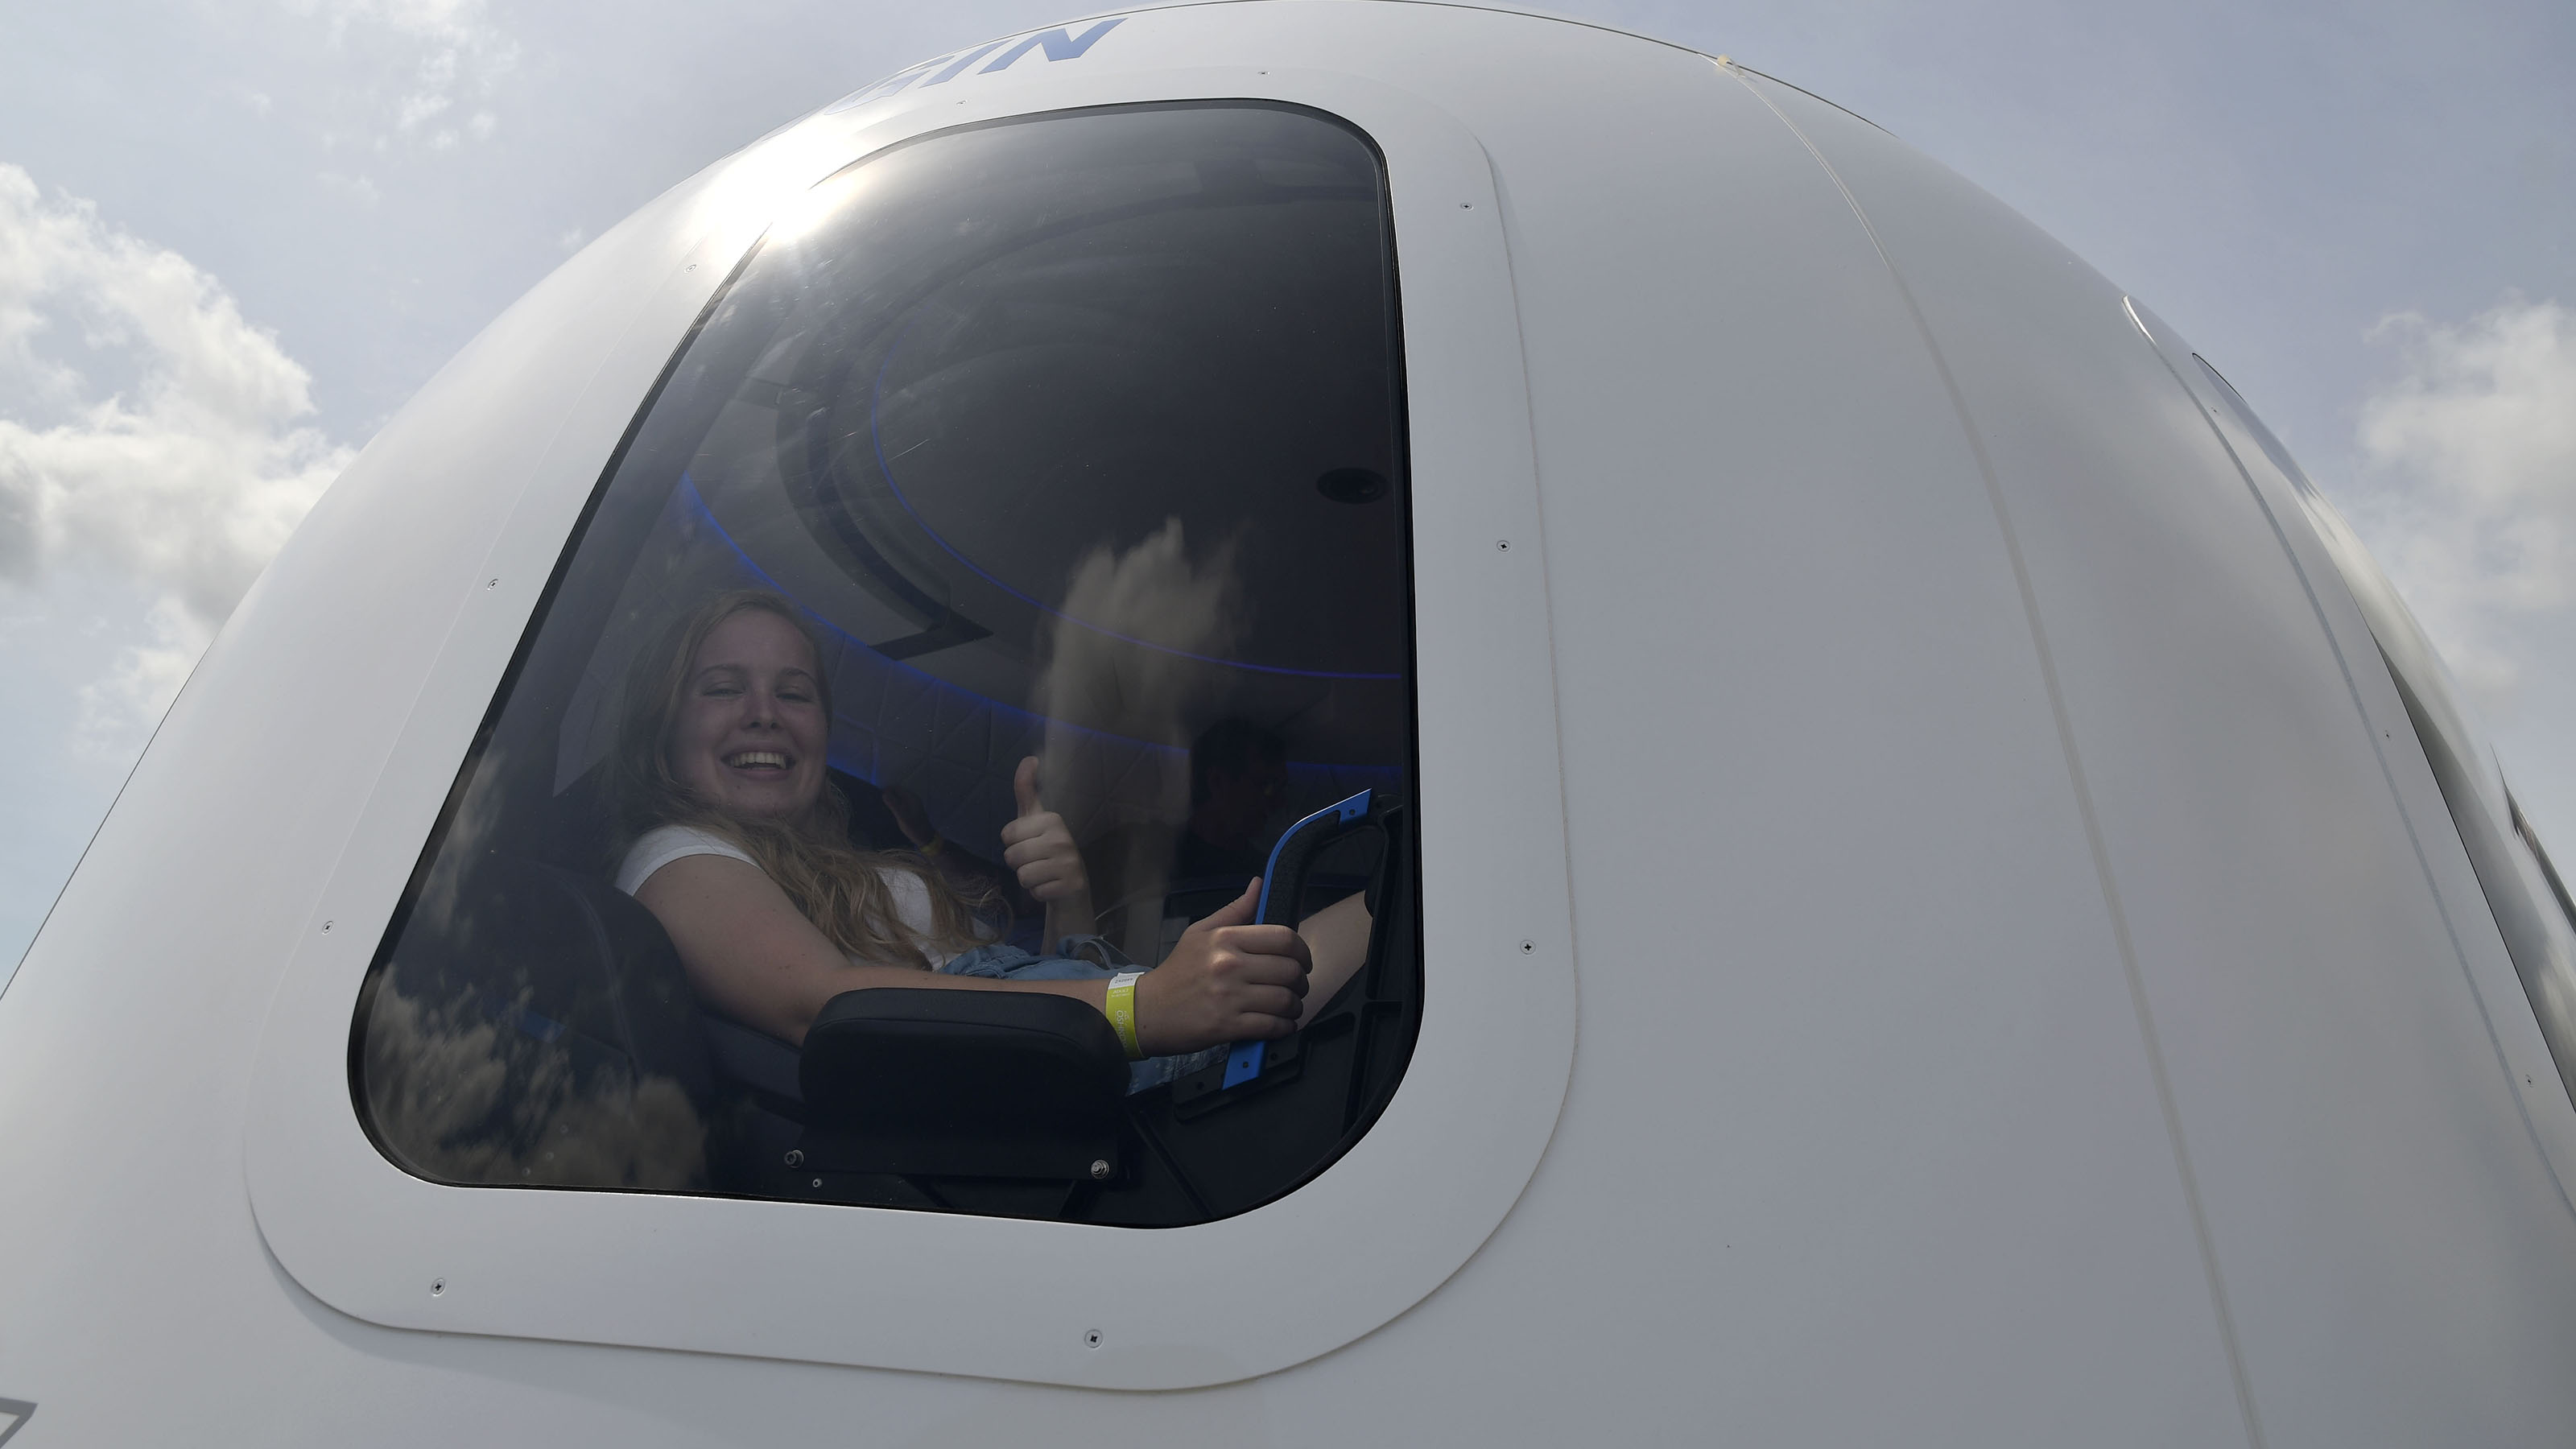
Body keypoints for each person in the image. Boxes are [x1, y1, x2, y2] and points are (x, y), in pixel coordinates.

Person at [607, 588, 1373, 1088]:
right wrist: (1144, 1007)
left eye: (794, 692)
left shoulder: (835, 872)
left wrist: (1069, 906)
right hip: (1046, 1075)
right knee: (1414, 882)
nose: (765, 713)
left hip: (1059, 1052)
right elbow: (825, 1008)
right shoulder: (674, 854)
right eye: (723, 687)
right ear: (664, 723)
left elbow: (1013, 989)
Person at [1172, 717, 1289, 883]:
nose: (1280, 803)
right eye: (1267, 786)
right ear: (1218, 782)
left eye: (1281, 789)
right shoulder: (1159, 856)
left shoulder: (1267, 873)